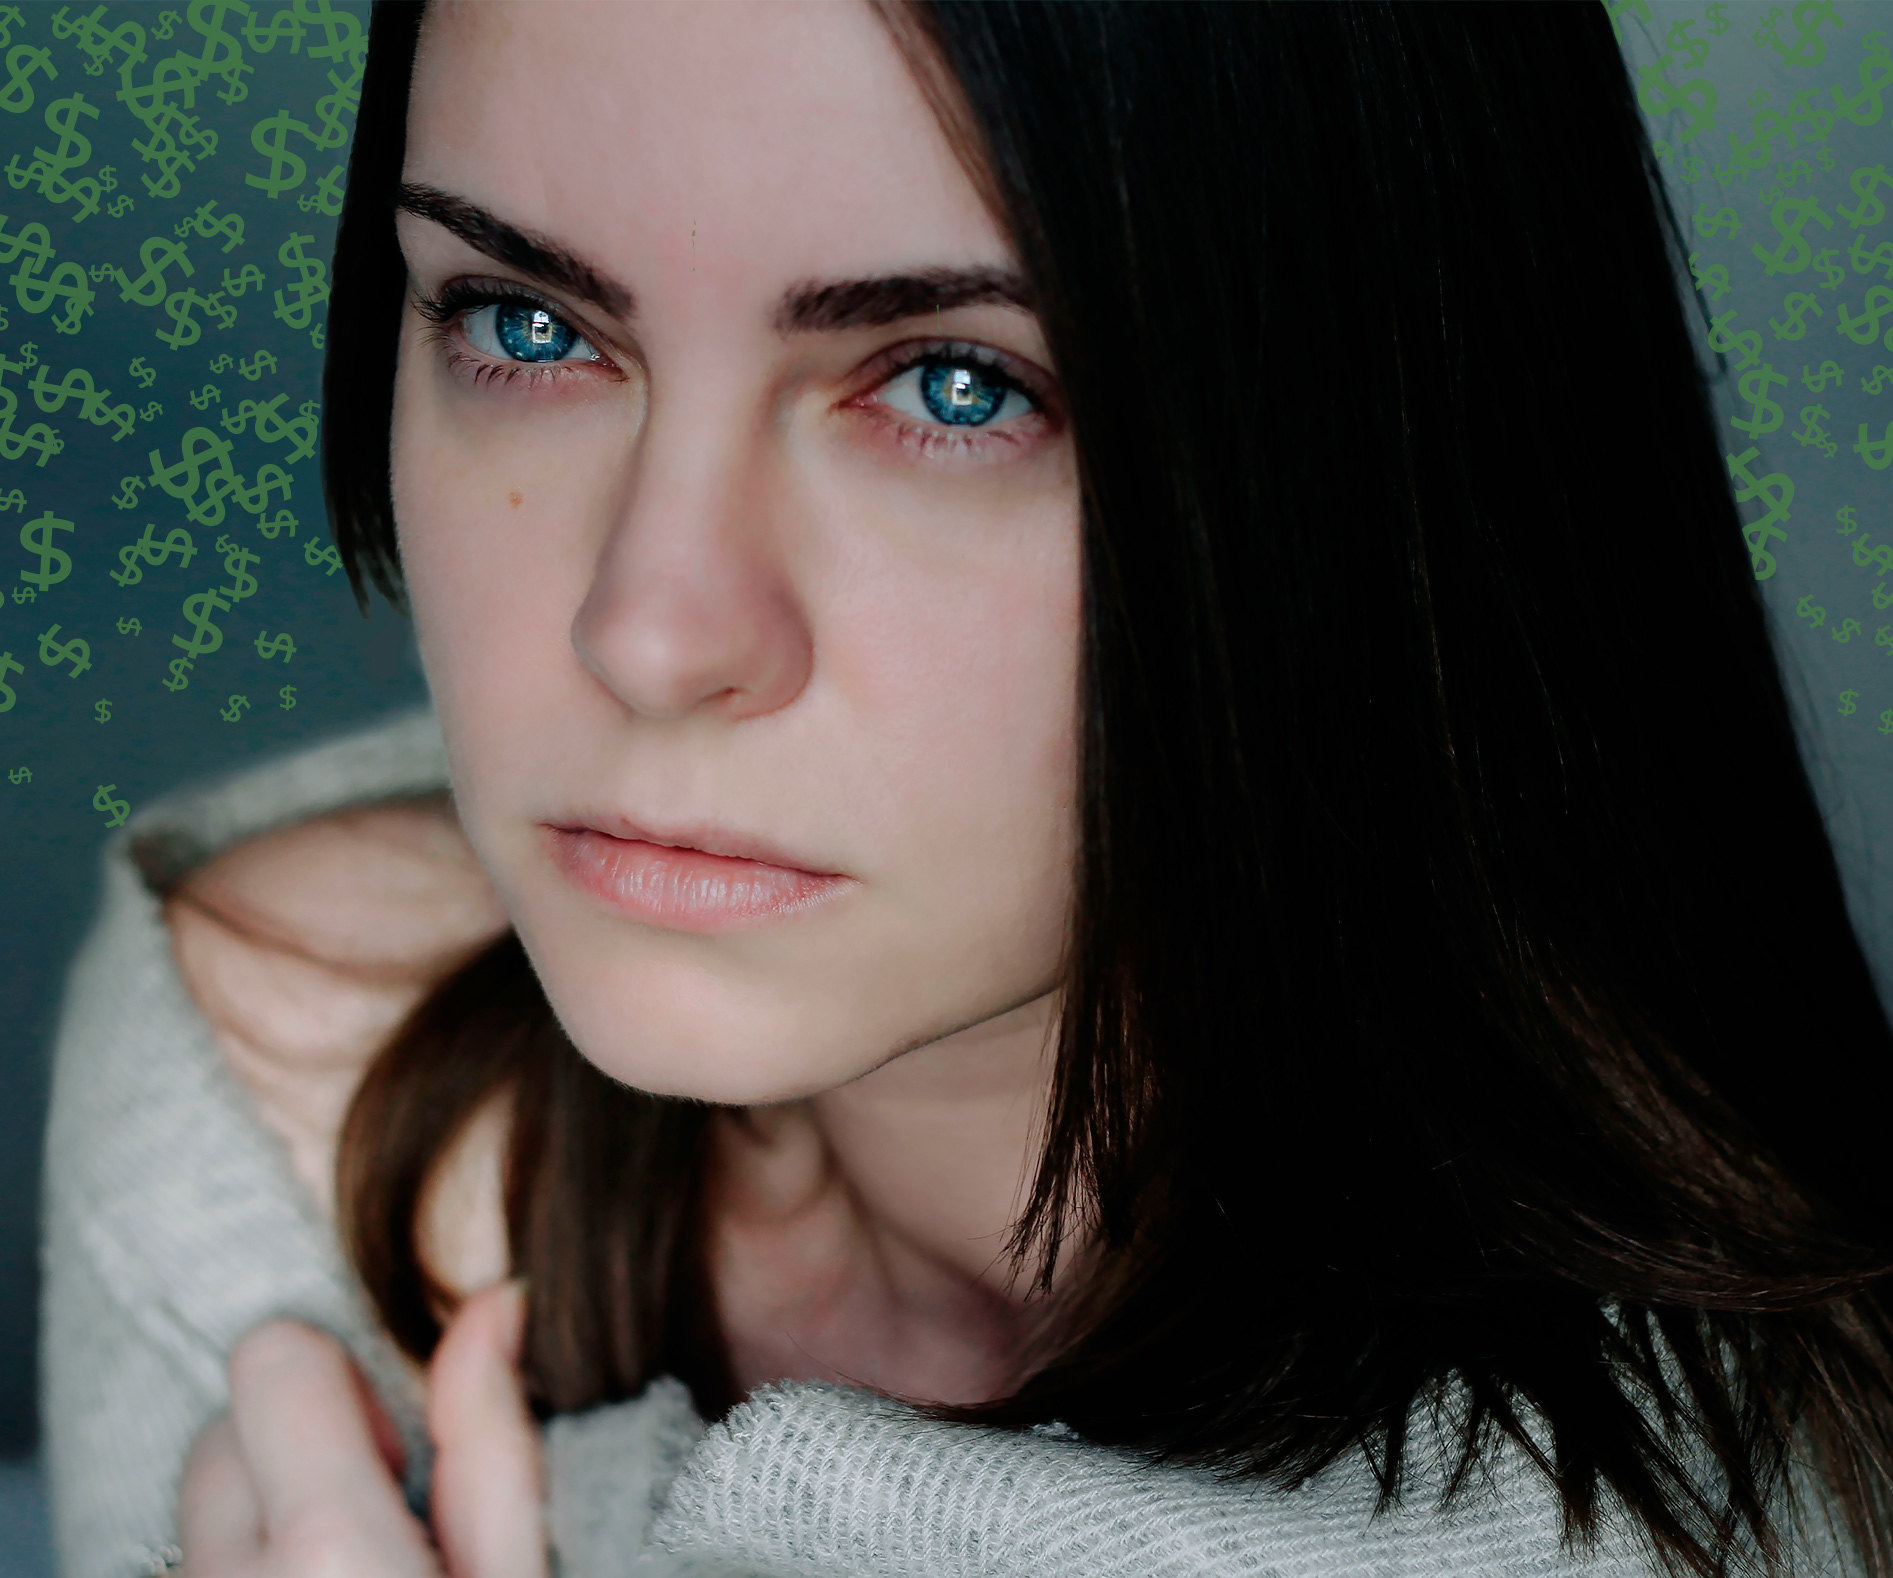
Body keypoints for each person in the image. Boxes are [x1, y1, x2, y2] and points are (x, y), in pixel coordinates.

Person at [38, 1, 1893, 1575]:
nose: (649, 633)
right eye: (525, 325)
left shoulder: (1676, 1522)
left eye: (952, 386)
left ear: (1379, 453)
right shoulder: (279, 1094)